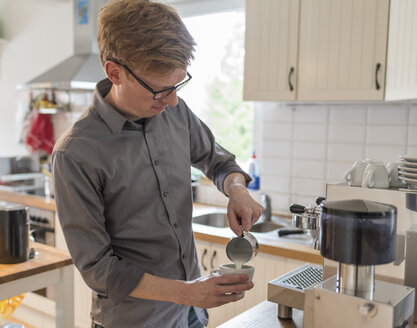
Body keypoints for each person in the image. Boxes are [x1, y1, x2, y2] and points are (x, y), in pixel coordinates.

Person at [52, 0, 264, 327]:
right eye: (160, 90)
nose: (173, 100)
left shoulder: (172, 110)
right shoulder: (75, 154)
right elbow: (99, 268)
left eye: (178, 85)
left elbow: (217, 159)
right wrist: (188, 292)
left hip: (191, 317)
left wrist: (237, 189)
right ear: (114, 72)